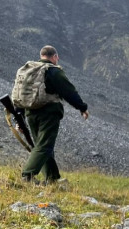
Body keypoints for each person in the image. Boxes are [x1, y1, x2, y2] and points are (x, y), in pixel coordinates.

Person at [17, 45, 89, 184]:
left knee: (42, 145)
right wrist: (82, 108)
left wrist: (18, 117)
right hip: (48, 114)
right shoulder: (53, 71)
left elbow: (20, 94)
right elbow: (68, 91)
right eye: (57, 57)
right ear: (54, 57)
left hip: (30, 113)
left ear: (41, 55)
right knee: (44, 145)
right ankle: (27, 175)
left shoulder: (28, 70)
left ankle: (52, 178)